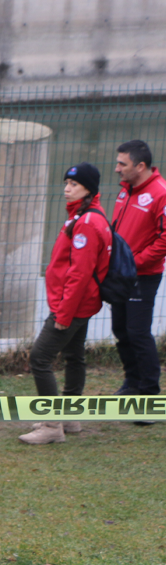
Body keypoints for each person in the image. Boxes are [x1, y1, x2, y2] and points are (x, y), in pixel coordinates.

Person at [20, 163, 111, 445]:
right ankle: (70, 415)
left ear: (89, 190)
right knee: (74, 356)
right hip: (81, 304)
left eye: (73, 184)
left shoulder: (86, 223)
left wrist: (63, 313)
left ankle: (51, 425)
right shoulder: (85, 215)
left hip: (72, 305)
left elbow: (80, 274)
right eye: (66, 183)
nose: (66, 189)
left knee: (40, 357)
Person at [111, 140, 166, 405]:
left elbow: (164, 240)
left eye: (123, 164)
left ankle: (149, 394)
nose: (117, 169)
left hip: (143, 275)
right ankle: (131, 382)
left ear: (140, 166)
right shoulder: (125, 191)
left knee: (137, 331)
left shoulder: (160, 193)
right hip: (120, 273)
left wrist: (136, 263)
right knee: (120, 329)